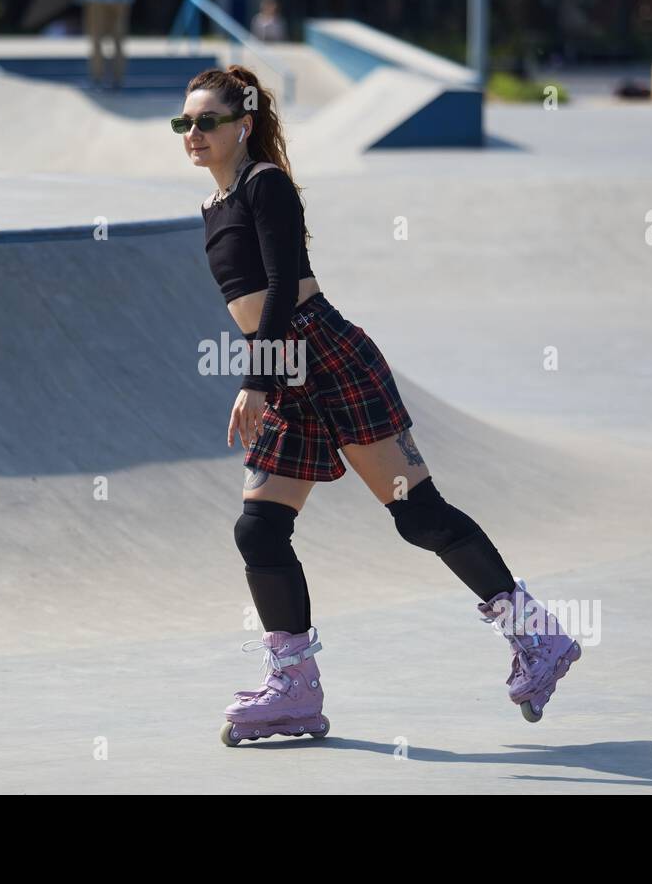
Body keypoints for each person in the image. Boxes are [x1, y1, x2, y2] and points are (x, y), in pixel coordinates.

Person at [175, 65, 583, 744]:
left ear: (241, 125)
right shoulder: (215, 205)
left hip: (319, 353)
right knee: (259, 530)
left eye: (206, 121)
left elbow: (280, 287)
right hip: (287, 369)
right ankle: (295, 690)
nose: (192, 133)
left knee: (418, 516)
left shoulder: (263, 185)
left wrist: (255, 379)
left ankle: (539, 638)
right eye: (183, 123)